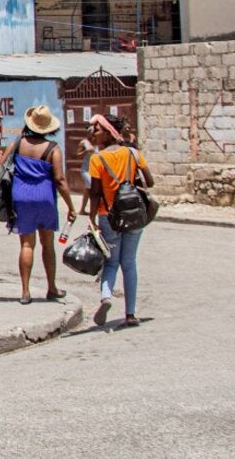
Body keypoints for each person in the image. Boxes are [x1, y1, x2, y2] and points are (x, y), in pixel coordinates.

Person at [87, 114, 154, 329]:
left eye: (97, 130)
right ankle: (131, 314)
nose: (93, 134)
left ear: (108, 132)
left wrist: (91, 218)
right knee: (130, 263)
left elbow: (95, 192)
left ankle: (106, 297)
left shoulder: (97, 159)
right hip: (134, 215)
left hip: (109, 216)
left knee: (111, 262)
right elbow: (150, 181)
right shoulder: (133, 153)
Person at [9, 106, 76, 305]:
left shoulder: (18, 144)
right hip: (45, 197)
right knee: (48, 245)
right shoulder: (53, 149)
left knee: (26, 244)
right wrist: (71, 207)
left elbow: (1, 165)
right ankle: (52, 288)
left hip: (21, 197)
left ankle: (25, 291)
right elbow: (60, 179)